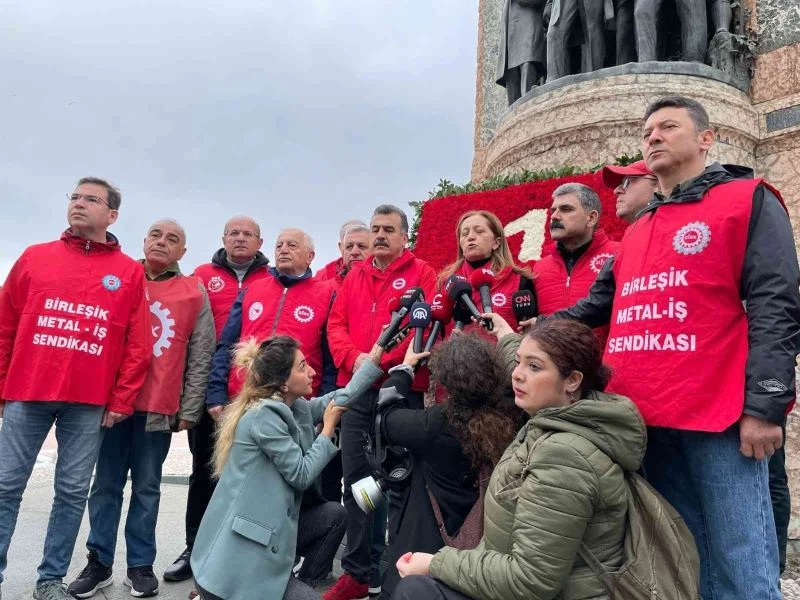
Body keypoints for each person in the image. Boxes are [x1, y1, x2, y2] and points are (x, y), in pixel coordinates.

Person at [555, 96, 800, 598]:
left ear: (706, 138)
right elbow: (591, 310)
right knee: (679, 562)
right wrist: (525, 334)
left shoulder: (748, 199)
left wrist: (767, 404)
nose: (654, 137)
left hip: (720, 418)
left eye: (668, 126)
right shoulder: (639, 229)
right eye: (647, 131)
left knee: (740, 564)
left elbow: (777, 305)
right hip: (644, 421)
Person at [391, 318, 646, 600]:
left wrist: (435, 564)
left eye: (533, 366)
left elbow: (531, 581)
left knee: (415, 591)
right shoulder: (559, 415)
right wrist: (505, 333)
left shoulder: (562, 457)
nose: (516, 375)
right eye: (517, 362)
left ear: (573, 380)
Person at [0, 177, 151, 600]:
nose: (78, 204)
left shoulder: (128, 272)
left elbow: (137, 343)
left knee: (70, 493)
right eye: (74, 197)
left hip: (88, 403)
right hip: (26, 393)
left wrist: (122, 399)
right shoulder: (34, 257)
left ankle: (50, 580)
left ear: (112, 214)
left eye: (91, 199)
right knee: (5, 485)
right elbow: (5, 324)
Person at [68, 220, 216, 598]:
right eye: (156, 235)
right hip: (110, 405)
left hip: (158, 407)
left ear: (183, 252)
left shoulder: (193, 290)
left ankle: (140, 565)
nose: (162, 243)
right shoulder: (119, 277)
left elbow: (201, 355)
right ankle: (98, 562)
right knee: (105, 486)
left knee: (147, 487)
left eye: (173, 240)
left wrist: (191, 405)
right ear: (144, 240)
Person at [190, 336, 385, 600]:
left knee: (333, 516)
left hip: (270, 535)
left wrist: (375, 359)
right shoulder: (263, 417)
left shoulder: (296, 407)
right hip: (242, 560)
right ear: (283, 383)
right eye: (303, 366)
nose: (312, 371)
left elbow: (340, 399)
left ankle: (295, 583)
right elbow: (301, 474)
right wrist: (327, 429)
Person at [325, 205, 438, 600]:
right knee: (359, 481)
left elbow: (420, 330)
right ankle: (360, 570)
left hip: (399, 391)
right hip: (357, 391)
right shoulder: (354, 275)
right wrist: (356, 360)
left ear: (404, 236)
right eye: (375, 229)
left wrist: (380, 363)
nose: (379, 236)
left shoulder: (421, 274)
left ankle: (395, 568)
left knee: (399, 479)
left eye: (388, 229)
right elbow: (335, 325)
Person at [365, 334, 522, 598]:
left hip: (427, 541)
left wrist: (405, 370)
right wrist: (506, 336)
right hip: (485, 539)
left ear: (447, 382)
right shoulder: (512, 412)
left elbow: (385, 418)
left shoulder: (434, 425)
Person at [164, 215, 270, 583]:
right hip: (210, 391)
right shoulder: (200, 275)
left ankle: (240, 554)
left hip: (255, 396)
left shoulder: (270, 280)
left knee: (255, 476)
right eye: (233, 233)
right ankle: (194, 547)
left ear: (260, 242)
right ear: (223, 238)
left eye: (248, 234)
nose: (240, 239)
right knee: (205, 473)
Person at [532, 183, 619, 342]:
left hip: (603, 364)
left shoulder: (619, 254)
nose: (554, 216)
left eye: (566, 209)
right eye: (553, 210)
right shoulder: (539, 268)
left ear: (591, 218)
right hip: (550, 364)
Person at [439, 211, 533, 335]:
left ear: (496, 242)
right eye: (464, 234)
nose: (470, 237)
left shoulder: (519, 280)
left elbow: (530, 333)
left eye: (479, 231)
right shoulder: (447, 282)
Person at [600, 160, 659, 224]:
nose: (616, 191)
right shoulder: (632, 232)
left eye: (627, 182)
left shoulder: (670, 228)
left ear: (659, 185)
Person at [316, 220, 370, 285]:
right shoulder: (323, 279)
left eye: (362, 246)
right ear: (341, 247)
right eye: (349, 246)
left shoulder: (383, 280)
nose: (354, 252)